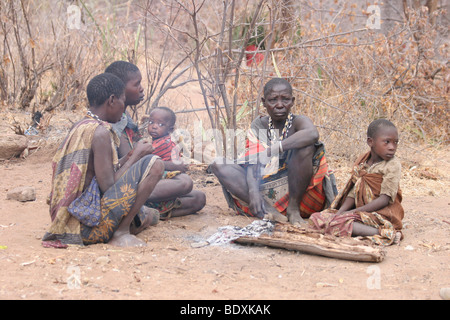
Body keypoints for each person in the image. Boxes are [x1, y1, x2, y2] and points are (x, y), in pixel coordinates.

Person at [42, 73, 164, 248]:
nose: (124, 108)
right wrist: (137, 155)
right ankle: (121, 233)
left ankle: (141, 219)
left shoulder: (82, 125)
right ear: (112, 100)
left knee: (150, 215)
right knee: (155, 164)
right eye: (122, 101)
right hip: (85, 227)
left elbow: (102, 171)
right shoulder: (100, 133)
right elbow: (108, 186)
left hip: (68, 222)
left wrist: (129, 156)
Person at [211, 78, 336, 226]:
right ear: (264, 102)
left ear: (293, 101)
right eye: (273, 100)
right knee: (218, 163)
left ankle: (293, 210)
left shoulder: (298, 122)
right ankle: (268, 211)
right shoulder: (259, 124)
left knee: (305, 146)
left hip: (302, 194)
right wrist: (254, 192)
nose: (279, 105)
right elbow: (252, 161)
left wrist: (274, 149)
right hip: (264, 192)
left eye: (285, 99)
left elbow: (312, 134)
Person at [309, 119, 404, 245]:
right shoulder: (363, 161)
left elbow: (384, 199)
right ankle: (353, 225)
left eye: (395, 142)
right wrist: (341, 212)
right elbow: (354, 191)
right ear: (371, 142)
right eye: (387, 142)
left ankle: (383, 232)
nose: (392, 147)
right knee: (317, 218)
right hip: (360, 213)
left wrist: (352, 213)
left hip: (381, 214)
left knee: (341, 222)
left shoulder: (392, 165)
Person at [144, 106, 206, 219]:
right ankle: (153, 210)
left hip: (164, 181)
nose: (154, 126)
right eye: (151, 122)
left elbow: (144, 157)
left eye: (160, 124)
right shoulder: (163, 141)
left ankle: (158, 213)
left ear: (170, 129)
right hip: (155, 182)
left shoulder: (162, 143)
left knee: (199, 197)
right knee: (187, 185)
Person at [105, 60, 145, 159]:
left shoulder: (124, 115)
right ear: (120, 88)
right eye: (137, 84)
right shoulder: (111, 122)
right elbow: (129, 157)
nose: (141, 89)